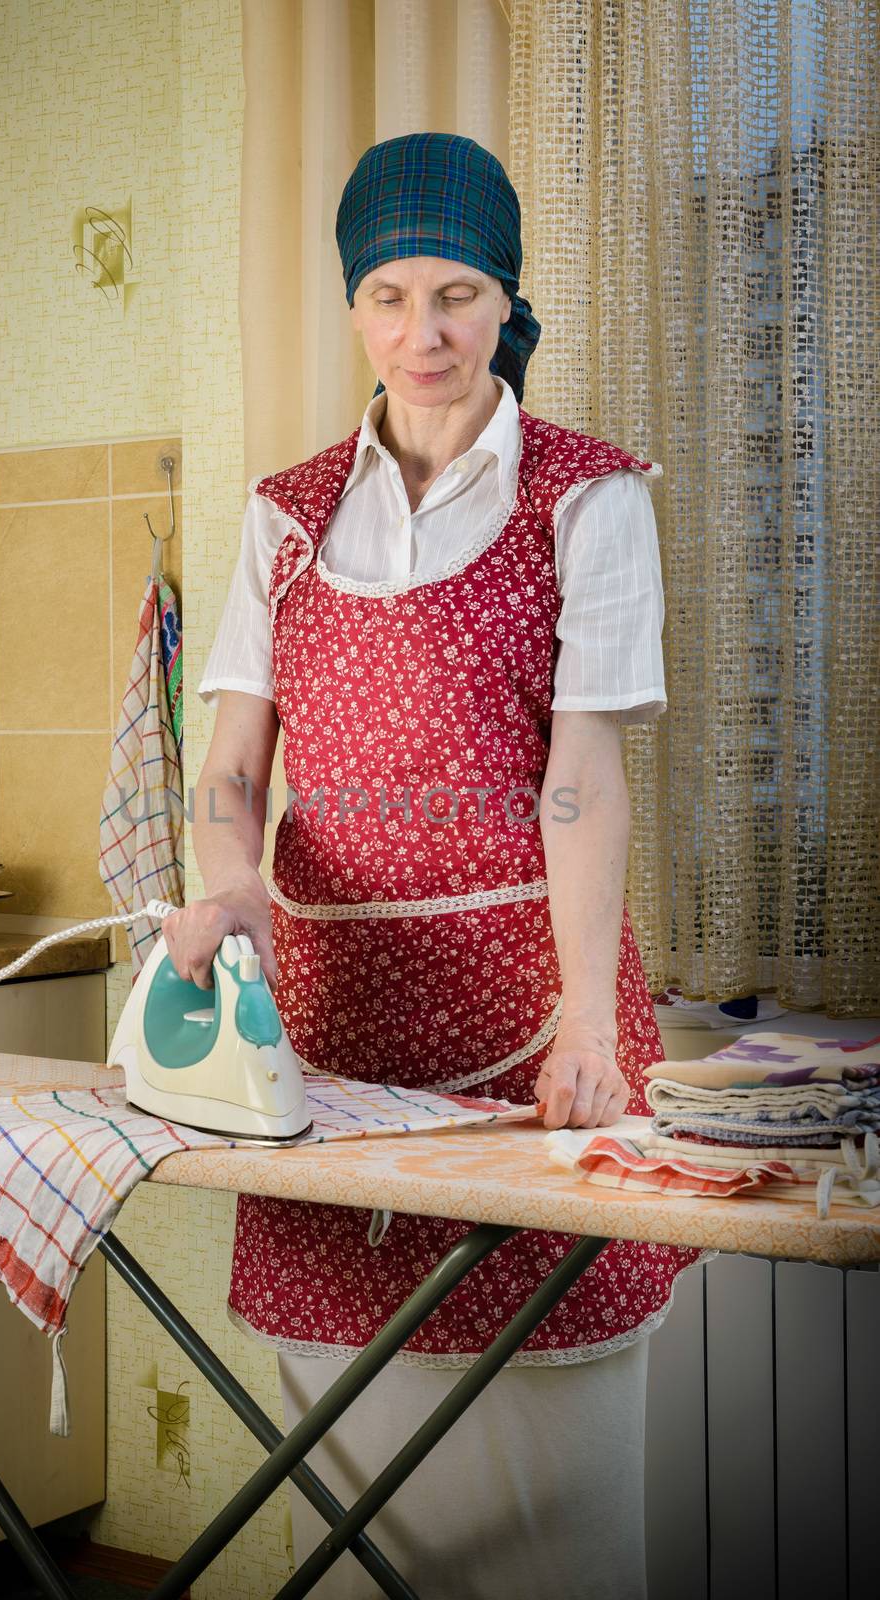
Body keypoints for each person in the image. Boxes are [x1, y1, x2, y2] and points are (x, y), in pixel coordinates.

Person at [175, 132, 702, 1599]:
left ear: (505, 298)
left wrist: (591, 1034)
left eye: (459, 294)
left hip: (538, 1044)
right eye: (392, 295)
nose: (425, 335)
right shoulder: (283, 518)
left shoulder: (585, 498)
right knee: (345, 1501)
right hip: (328, 1064)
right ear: (353, 306)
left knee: (560, 1512)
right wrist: (230, 896)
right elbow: (227, 773)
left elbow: (583, 781)